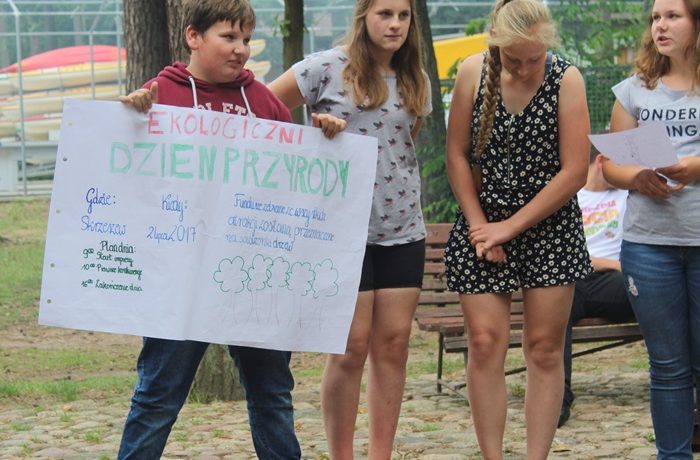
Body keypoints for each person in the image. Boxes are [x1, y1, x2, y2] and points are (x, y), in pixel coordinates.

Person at [115, 0, 340, 458]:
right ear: (193, 37)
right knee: (157, 397)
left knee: (272, 396)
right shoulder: (161, 94)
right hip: (182, 280)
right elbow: (131, 179)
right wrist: (132, 117)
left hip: (254, 280)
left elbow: (294, 183)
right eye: (229, 37)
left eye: (246, 39)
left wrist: (325, 139)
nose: (241, 49)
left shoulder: (264, 101)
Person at [268, 0, 432, 457]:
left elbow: (404, 144)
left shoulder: (415, 76)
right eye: (384, 14)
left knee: (394, 345)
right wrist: (313, 136)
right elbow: (261, 108)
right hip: (338, 229)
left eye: (403, 15)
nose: (395, 24)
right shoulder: (324, 68)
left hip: (402, 226)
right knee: (350, 346)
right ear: (363, 16)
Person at [442, 0, 592, 457]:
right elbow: (457, 155)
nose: (524, 69)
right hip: (483, 225)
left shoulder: (567, 79)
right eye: (513, 60)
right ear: (495, 43)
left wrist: (510, 228)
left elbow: (575, 171)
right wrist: (481, 227)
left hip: (549, 228)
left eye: (534, 59)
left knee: (544, 348)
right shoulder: (472, 72)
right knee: (485, 342)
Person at [600, 0, 700, 456]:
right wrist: (636, 176)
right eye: (656, 18)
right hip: (649, 246)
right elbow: (609, 165)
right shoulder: (634, 90)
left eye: (672, 16)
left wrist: (694, 167)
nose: (660, 25)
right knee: (669, 367)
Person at [558, 149, 635, 428]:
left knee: (656, 291)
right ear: (601, 161)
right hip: (577, 278)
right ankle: (559, 397)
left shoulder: (627, 197)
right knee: (559, 305)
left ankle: (679, 383)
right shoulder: (570, 196)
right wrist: (612, 264)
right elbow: (565, 255)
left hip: (613, 284)